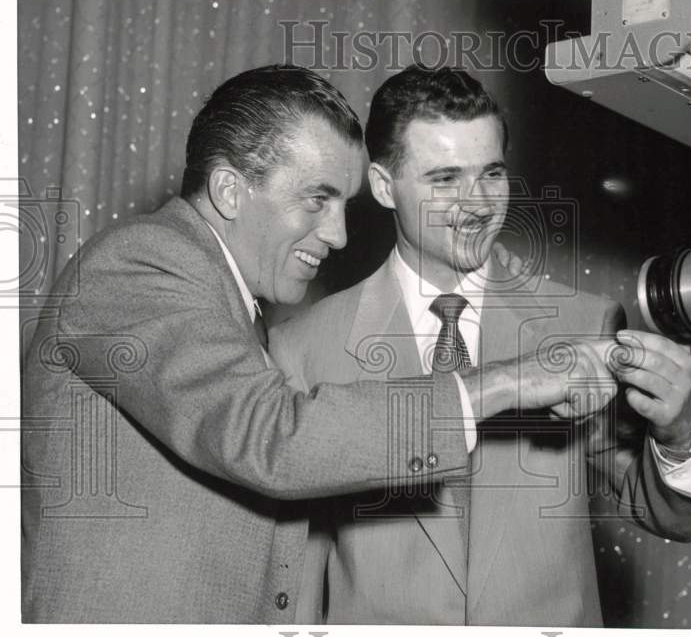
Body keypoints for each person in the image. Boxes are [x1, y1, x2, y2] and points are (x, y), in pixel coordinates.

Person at [20, 64, 611, 623]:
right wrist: (504, 381)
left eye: (343, 204)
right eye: (316, 199)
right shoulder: (142, 264)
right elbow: (273, 437)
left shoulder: (230, 309)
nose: (339, 233)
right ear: (228, 190)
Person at [269, 65, 691, 626]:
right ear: (385, 186)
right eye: (444, 179)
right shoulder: (302, 350)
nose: (478, 204)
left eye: (491, 174)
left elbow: (671, 515)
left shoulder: (585, 323)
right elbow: (288, 578)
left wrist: (679, 433)